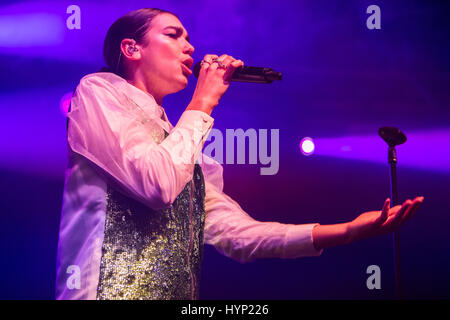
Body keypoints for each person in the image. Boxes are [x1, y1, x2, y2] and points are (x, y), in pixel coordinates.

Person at [55, 8, 424, 300]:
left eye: (188, 38)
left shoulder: (184, 148)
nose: (190, 47)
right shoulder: (98, 91)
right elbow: (155, 185)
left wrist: (344, 231)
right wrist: (204, 100)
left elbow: (240, 235)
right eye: (173, 35)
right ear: (131, 48)